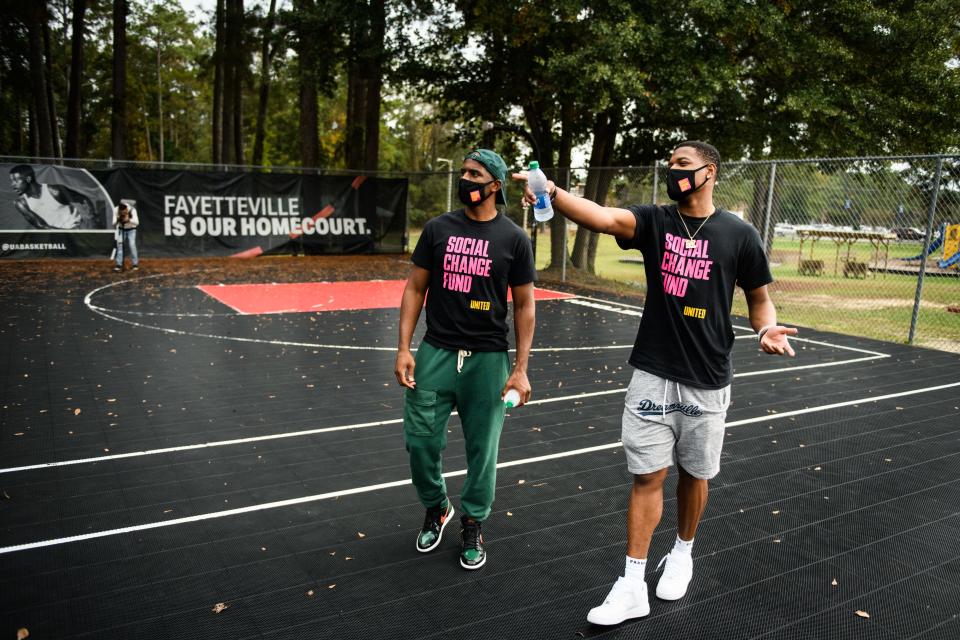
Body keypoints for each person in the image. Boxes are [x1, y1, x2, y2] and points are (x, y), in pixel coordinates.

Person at [513, 141, 797, 624]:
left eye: (683, 166)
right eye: (670, 167)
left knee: (695, 474)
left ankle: (683, 552)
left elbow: (759, 299)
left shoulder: (738, 234)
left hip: (707, 377)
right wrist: (553, 192)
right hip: (652, 372)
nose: (674, 173)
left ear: (710, 171)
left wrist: (767, 328)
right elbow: (603, 217)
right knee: (647, 476)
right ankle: (631, 583)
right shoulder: (657, 221)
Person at [395, 148, 536, 570]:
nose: (466, 179)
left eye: (475, 174)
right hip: (436, 352)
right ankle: (437, 506)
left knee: (483, 452)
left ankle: (473, 520)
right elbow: (414, 289)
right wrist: (404, 347)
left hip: (489, 360)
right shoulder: (438, 229)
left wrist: (521, 369)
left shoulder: (514, 238)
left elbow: (525, 305)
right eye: (464, 173)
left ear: (495, 185)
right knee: (421, 442)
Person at [8, 164, 97, 230]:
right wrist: (67, 233)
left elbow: (83, 200)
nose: (13, 184)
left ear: (28, 179)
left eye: (16, 180)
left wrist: (90, 223)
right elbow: (41, 226)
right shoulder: (21, 203)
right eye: (12, 181)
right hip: (57, 237)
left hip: (77, 231)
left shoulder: (54, 190)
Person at [112, 202, 140, 271]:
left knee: (132, 245)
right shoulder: (116, 210)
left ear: (127, 209)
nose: (123, 214)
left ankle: (135, 264)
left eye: (124, 212)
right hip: (121, 229)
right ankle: (119, 264)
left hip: (132, 230)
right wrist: (118, 219)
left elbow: (137, 222)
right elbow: (113, 223)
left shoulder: (132, 210)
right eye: (122, 213)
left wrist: (129, 220)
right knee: (120, 245)